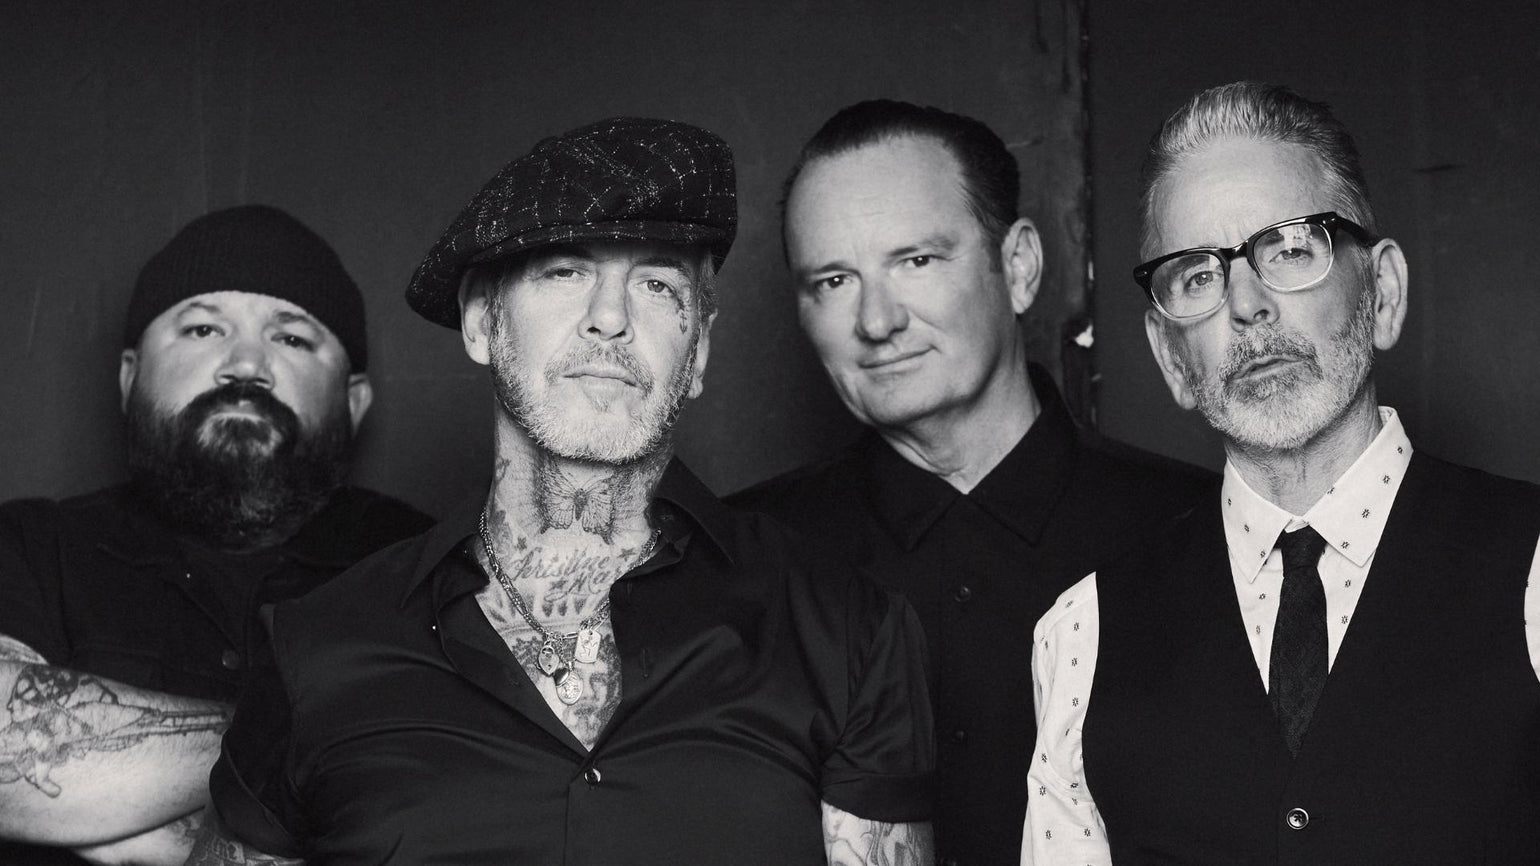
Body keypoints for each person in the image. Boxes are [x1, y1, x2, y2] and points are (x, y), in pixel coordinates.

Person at [190, 117, 935, 865]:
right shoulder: (320, 645)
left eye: (655, 284)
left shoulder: (841, 631)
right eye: (565, 272)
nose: (610, 319)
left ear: (700, 350)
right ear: (481, 321)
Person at [1023, 81, 1540, 865]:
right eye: (1197, 275)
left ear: (1382, 293)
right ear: (1170, 358)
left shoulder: (1531, 570)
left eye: (1292, 247)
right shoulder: (1082, 634)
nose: (1247, 304)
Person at [729, 99, 1211, 866]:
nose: (877, 321)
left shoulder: (1203, 536)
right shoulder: (735, 563)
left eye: (916, 261)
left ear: (1017, 267)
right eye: (834, 280)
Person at [0, 205, 433, 866]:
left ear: (354, 401)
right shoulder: (29, 547)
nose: (246, 365)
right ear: (129, 376)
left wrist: (103, 807)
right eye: (203, 329)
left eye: (292, 338)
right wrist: (321, 752)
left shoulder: (438, 570)